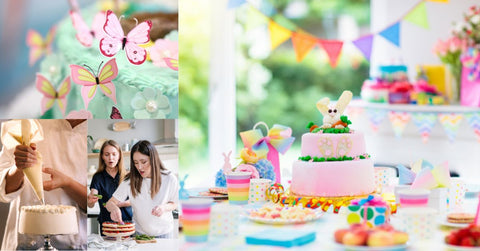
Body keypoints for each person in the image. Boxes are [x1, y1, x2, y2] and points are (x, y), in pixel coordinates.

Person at [0, 119, 87, 250]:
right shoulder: (28, 123)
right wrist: (19, 167)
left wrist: (68, 183)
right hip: (23, 244)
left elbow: (95, 203)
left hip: (76, 245)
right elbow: (3, 191)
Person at [106, 140, 178, 238]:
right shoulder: (130, 180)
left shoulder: (169, 178)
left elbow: (175, 203)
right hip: (139, 233)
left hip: (164, 233)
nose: (139, 167)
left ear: (153, 159)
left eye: (144, 162)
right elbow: (110, 202)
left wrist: (164, 207)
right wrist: (114, 209)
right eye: (136, 163)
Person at [87, 140, 133, 235]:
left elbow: (135, 199)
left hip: (126, 223)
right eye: (107, 154)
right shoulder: (98, 177)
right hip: (107, 225)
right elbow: (93, 197)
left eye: (114, 154)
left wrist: (118, 204)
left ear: (119, 155)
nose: (110, 158)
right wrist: (90, 200)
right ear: (102, 157)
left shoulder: (127, 175)